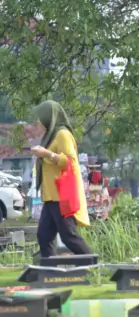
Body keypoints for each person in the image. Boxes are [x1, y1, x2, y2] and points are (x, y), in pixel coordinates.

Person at [29, 100, 93, 258]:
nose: (37, 124)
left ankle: (94, 267)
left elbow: (70, 162)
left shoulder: (63, 135)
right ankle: (50, 272)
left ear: (48, 118)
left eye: (39, 120)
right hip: (50, 197)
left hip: (61, 196)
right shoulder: (50, 137)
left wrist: (46, 154)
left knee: (69, 237)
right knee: (43, 236)